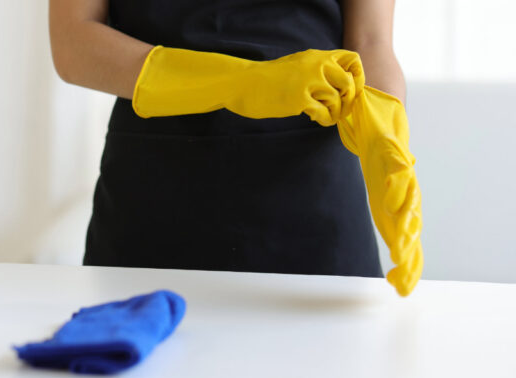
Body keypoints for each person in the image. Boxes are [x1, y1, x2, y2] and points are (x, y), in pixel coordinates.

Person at [48, 0, 406, 277]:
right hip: (154, 195)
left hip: (316, 199)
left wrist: (385, 133)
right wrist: (244, 82)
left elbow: (371, 42)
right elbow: (73, 41)